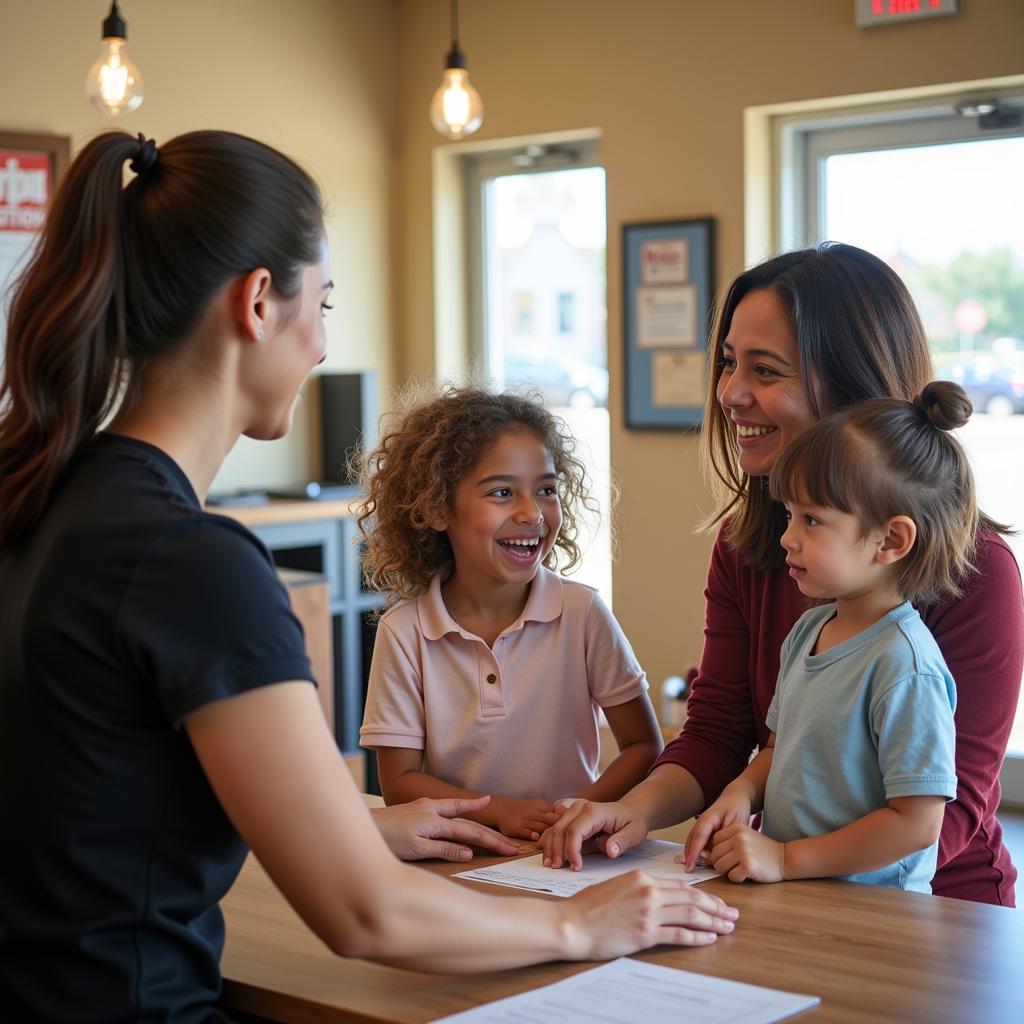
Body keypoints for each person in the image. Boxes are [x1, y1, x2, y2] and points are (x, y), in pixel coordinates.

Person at [0, 132, 738, 1022]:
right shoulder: (192, 562)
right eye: (324, 302)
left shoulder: (43, 502)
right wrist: (586, 924)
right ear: (259, 303)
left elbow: (99, 806)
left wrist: (358, 827)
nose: (321, 345)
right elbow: (364, 915)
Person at [543, 243, 1024, 907]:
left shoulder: (978, 575)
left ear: (853, 388)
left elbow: (943, 817)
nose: (729, 393)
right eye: (729, 363)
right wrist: (639, 809)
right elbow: (720, 731)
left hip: (934, 909)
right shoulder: (751, 542)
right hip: (795, 887)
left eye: (765, 371)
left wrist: (786, 862)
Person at [682, 382, 975, 891]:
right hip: (797, 895)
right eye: (789, 515)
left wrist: (788, 859)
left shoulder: (904, 666)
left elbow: (917, 823)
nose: (787, 537)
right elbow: (779, 747)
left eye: (812, 520)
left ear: (891, 540)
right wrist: (740, 793)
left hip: (877, 918)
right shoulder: (809, 631)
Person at [357, 387, 664, 841]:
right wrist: (498, 813)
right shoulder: (404, 632)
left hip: (568, 855)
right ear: (436, 509)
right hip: (463, 856)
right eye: (502, 492)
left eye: (546, 490)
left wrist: (581, 814)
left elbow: (643, 745)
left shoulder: (582, 612)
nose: (532, 513)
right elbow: (399, 783)